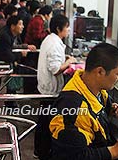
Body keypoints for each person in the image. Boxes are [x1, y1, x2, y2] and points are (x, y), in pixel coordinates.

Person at [49, 43, 118, 160]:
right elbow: (74, 156)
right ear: (100, 72)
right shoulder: (74, 110)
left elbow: (99, 105)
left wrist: (109, 109)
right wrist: (115, 151)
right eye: (117, 73)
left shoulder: (93, 87)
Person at [34, 14, 77, 159]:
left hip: (46, 87)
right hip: (50, 91)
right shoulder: (54, 43)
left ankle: (40, 150)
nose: (69, 30)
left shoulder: (51, 39)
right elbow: (55, 69)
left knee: (44, 121)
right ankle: (42, 152)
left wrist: (65, 59)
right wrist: (69, 62)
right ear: (59, 28)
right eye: (67, 27)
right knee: (46, 122)